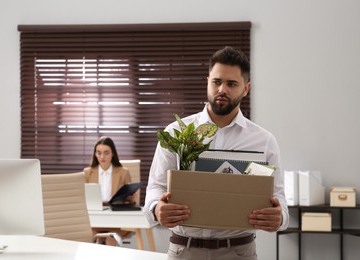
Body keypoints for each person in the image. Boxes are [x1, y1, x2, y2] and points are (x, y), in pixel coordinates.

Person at [143, 46, 289, 260]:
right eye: (217, 82)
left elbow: (278, 197)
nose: (222, 89)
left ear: (246, 89)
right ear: (207, 82)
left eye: (232, 84)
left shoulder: (264, 141)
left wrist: (280, 217)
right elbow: (156, 186)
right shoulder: (176, 132)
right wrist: (157, 209)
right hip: (184, 251)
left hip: (239, 252)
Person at [84, 136, 135, 246]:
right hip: (95, 221)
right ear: (95, 154)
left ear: (113, 154)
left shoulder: (123, 172)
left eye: (106, 153)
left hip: (117, 222)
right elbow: (82, 200)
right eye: (98, 153)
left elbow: (131, 201)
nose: (102, 157)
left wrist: (128, 199)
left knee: (111, 238)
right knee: (88, 235)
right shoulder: (87, 173)